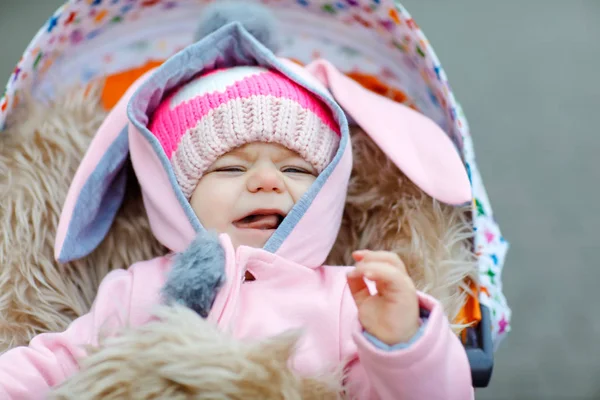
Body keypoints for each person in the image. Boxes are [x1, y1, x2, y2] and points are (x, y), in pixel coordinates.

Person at [0, 21, 473, 400]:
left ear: (328, 189)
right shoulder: (135, 290)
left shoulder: (343, 300)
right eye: (228, 168)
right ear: (175, 195)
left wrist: (401, 343)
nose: (268, 180)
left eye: (295, 168)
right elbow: (56, 365)